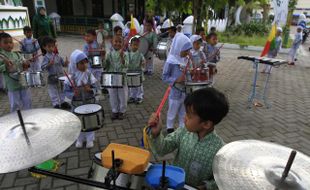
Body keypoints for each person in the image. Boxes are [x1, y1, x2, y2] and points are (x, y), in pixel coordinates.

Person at [148, 88, 228, 190]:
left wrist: (204, 187)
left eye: (189, 116)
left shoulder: (220, 150)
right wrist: (156, 134)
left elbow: (220, 180)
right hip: (173, 184)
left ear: (206, 124)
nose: (184, 118)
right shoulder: (183, 132)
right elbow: (162, 149)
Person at [66, 50, 97, 148]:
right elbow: (66, 92)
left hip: (89, 102)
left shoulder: (89, 75)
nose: (84, 65)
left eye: (85, 62)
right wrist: (72, 94)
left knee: (89, 121)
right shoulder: (71, 77)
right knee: (78, 122)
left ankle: (89, 139)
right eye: (81, 63)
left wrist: (91, 89)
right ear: (75, 64)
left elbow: (97, 88)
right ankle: (79, 139)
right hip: (77, 104)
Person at [162, 32, 192, 134]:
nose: (188, 52)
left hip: (185, 91)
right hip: (175, 92)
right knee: (172, 111)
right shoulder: (170, 61)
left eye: (188, 50)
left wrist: (191, 72)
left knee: (183, 112)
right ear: (179, 47)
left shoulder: (187, 59)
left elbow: (189, 73)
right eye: (186, 50)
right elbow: (164, 77)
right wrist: (175, 80)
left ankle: (182, 129)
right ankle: (169, 128)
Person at [0, 33, 32, 112]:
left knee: (27, 102)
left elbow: (25, 64)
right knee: (15, 105)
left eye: (11, 42)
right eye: (5, 42)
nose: (9, 45)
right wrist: (6, 66)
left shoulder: (17, 54)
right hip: (12, 86)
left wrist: (26, 64)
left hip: (23, 83)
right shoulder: (1, 56)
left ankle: (28, 118)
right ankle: (16, 120)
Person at [41, 36, 71, 109]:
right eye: (49, 46)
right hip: (52, 77)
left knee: (62, 90)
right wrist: (49, 64)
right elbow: (43, 67)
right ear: (44, 47)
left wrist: (66, 63)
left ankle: (63, 102)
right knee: (53, 91)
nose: (51, 48)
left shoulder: (57, 56)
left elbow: (63, 64)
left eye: (53, 46)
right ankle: (56, 104)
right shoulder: (46, 57)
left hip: (60, 76)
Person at [103, 36, 128, 120]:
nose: (117, 43)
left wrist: (121, 57)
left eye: (119, 42)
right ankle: (115, 111)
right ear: (112, 42)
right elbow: (105, 66)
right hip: (112, 78)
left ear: (123, 43)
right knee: (112, 95)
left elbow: (126, 65)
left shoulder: (125, 54)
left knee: (122, 96)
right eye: (115, 41)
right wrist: (103, 58)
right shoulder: (109, 54)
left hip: (122, 78)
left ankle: (122, 111)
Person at [126, 37, 145, 104]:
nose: (135, 46)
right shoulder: (127, 54)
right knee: (131, 85)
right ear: (130, 45)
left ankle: (139, 96)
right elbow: (126, 62)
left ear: (138, 46)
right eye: (134, 45)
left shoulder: (140, 54)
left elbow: (143, 61)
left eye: (137, 45)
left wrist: (143, 63)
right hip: (130, 72)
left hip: (138, 73)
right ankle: (132, 96)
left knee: (139, 85)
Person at [83, 29, 103, 93]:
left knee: (98, 80)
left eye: (88, 36)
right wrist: (90, 52)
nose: (86, 38)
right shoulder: (86, 46)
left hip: (98, 66)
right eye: (85, 36)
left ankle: (98, 91)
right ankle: (93, 92)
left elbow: (101, 54)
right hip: (90, 67)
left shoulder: (97, 44)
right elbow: (85, 55)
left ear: (94, 37)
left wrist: (102, 52)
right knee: (91, 80)